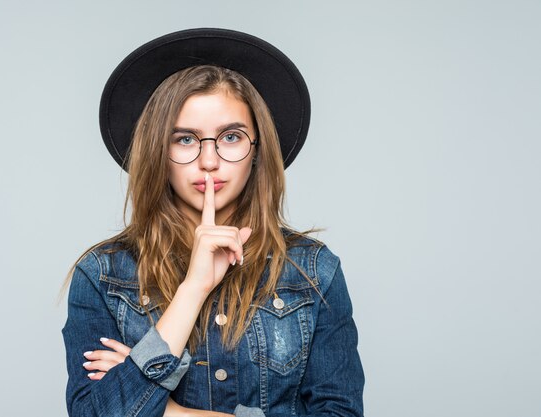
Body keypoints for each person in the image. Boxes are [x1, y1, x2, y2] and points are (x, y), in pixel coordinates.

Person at [62, 28, 364, 417]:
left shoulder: (312, 272)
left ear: (257, 150)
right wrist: (194, 288)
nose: (209, 161)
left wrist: (170, 412)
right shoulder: (102, 275)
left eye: (231, 137)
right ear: (158, 151)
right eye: (185, 139)